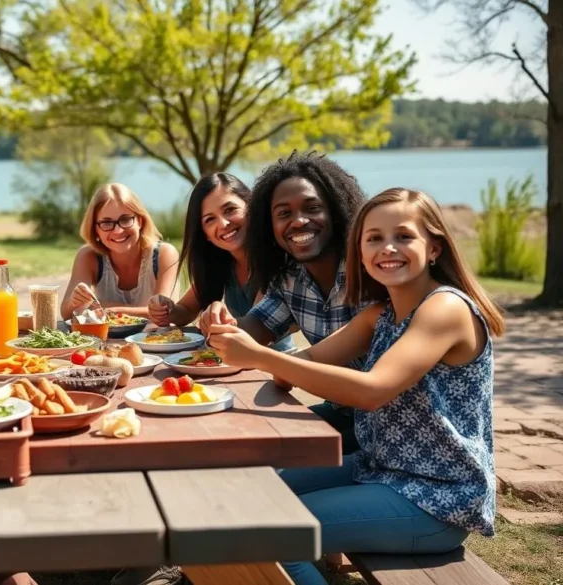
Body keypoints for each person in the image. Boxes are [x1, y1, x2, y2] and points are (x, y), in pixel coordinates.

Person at [207, 187, 502, 585]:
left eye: (404, 236)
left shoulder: (444, 308)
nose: (388, 248)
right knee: (255, 495)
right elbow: (297, 367)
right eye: (374, 238)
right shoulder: (380, 314)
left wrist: (261, 356)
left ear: (434, 247)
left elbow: (373, 390)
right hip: (381, 471)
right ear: (360, 252)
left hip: (437, 500)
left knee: (276, 532)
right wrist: (240, 340)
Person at [197, 151, 367, 453]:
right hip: (343, 413)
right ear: (268, 225)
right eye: (284, 213)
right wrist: (223, 322)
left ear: (337, 209)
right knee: (233, 444)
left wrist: (268, 360)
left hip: (385, 426)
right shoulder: (290, 275)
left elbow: (373, 389)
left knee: (264, 468)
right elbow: (258, 325)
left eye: (312, 208)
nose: (299, 221)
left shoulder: (367, 270)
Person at [146, 172, 295, 352]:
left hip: (276, 366)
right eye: (210, 219)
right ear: (205, 235)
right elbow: (186, 309)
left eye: (230, 210)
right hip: (231, 361)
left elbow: (256, 328)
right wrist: (166, 309)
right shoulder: (220, 262)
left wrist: (215, 318)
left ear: (251, 208)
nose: (223, 223)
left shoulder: (276, 259)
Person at [60, 183, 179, 320]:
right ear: (95, 229)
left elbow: (166, 314)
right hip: (105, 340)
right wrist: (75, 302)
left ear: (140, 221)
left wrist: (106, 308)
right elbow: (67, 314)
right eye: (106, 223)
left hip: (155, 340)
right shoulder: (88, 256)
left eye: (126, 219)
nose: (118, 231)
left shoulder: (164, 254)